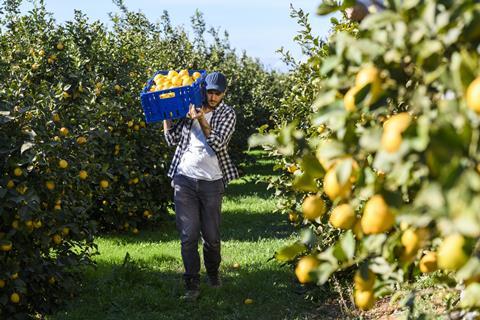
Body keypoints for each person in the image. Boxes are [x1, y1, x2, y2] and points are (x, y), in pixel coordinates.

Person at [163, 71, 239, 301]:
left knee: (212, 237)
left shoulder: (228, 114)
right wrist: (167, 116)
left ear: (224, 93)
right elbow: (171, 140)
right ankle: (191, 285)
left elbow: (217, 142)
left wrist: (201, 119)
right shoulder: (191, 107)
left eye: (218, 93)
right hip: (184, 178)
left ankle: (213, 274)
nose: (213, 96)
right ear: (203, 91)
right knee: (188, 235)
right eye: (210, 92)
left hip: (212, 182)